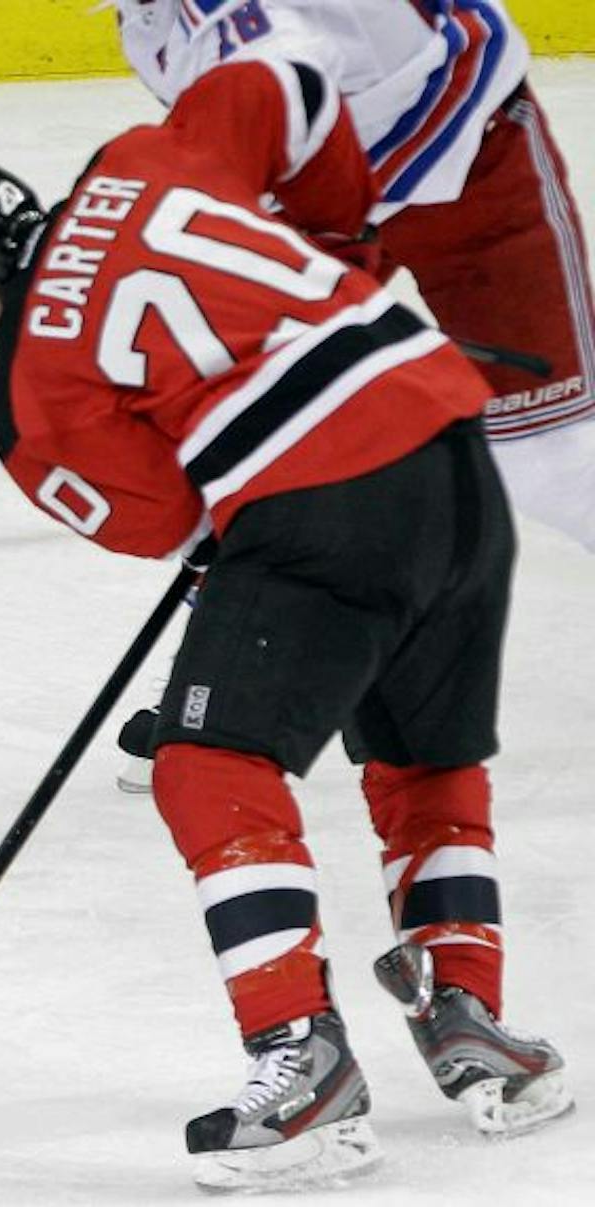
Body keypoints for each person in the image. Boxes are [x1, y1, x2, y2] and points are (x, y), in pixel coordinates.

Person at [0, 56, 570, 1189]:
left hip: (329, 502)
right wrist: (342, 257)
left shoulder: (23, 390)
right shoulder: (140, 157)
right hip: (452, 444)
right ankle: (469, 1017)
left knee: (206, 761)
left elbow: (158, 517)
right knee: (422, 755)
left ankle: (302, 1061)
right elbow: (288, 87)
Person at [106, 0, 595, 784]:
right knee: (252, 444)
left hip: (469, 153)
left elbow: (276, 68)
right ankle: (228, 690)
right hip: (325, 201)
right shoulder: (148, 23)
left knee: (551, 456)